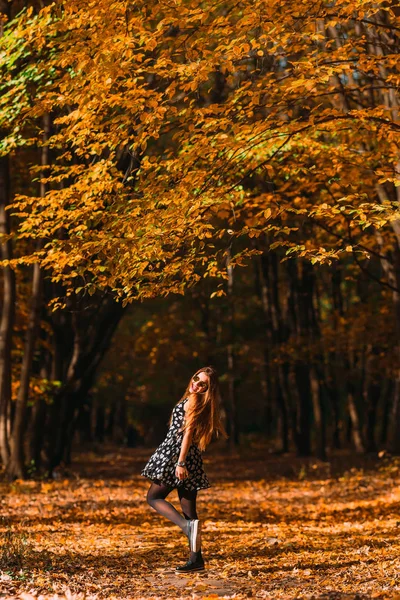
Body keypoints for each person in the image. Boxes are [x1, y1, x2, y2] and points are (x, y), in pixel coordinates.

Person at [141, 366, 228, 573]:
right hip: (191, 456)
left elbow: (187, 433)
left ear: (208, 388)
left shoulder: (193, 401)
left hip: (177, 454)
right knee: (190, 510)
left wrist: (180, 463)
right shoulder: (202, 403)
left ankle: (186, 527)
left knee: (154, 497)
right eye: (196, 379)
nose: (196, 384)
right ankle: (196, 559)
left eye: (202, 384)